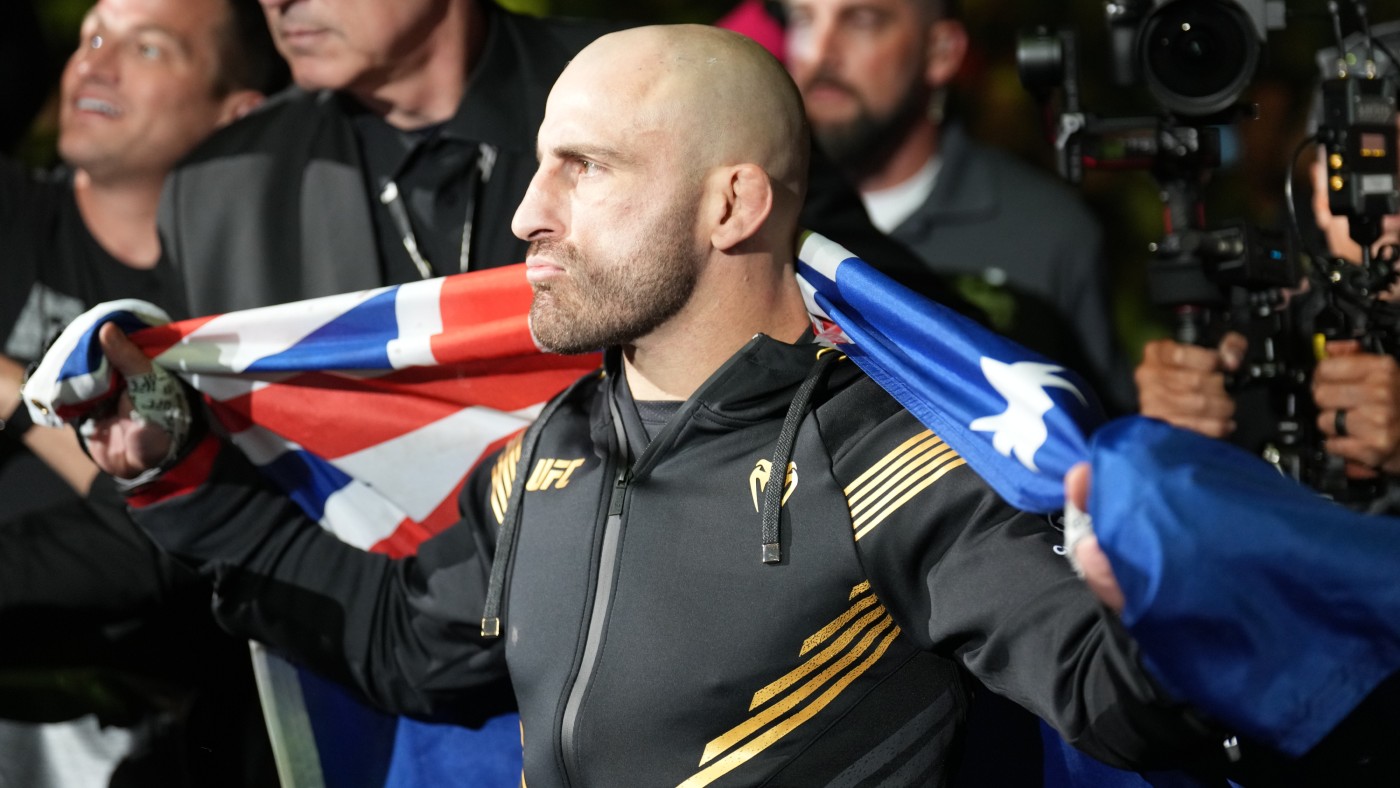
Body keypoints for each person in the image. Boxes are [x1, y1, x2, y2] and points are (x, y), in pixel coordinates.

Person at [80, 25, 1245, 786]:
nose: (528, 212)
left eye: (582, 167)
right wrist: (175, 475)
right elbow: (399, 644)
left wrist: (1165, 612)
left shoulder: (889, 457)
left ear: (731, 204)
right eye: (540, 161)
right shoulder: (544, 453)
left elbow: (1132, 712)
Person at [0, 0, 285, 783]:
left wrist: (15, 397)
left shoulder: (240, 309)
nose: (95, 63)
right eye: (92, 35)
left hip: (129, 736)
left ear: (237, 111)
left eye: (148, 48)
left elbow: (158, 547)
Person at [782, 0, 1137, 412]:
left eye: (862, 21)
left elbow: (1093, 430)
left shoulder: (1048, 232)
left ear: (942, 51)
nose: (820, 51)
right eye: (803, 20)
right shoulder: (749, 216)